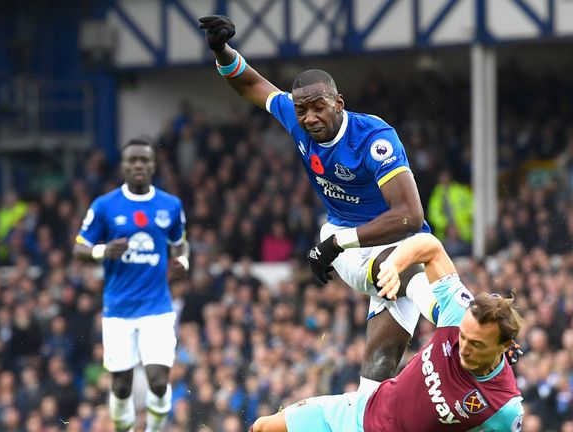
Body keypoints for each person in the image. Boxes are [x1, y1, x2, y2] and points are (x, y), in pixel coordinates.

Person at [199, 15, 442, 391]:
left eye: (319, 108)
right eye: (302, 110)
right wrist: (220, 50)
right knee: (406, 270)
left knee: (376, 377)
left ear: (338, 103)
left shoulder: (374, 138)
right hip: (348, 240)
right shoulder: (295, 118)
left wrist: (331, 246)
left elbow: (410, 216)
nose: (309, 118)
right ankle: (461, 326)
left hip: (377, 241)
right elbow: (249, 83)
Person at [251, 232, 525, 431]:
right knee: (265, 427)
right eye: (463, 337)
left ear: (504, 346)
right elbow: (430, 246)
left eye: (476, 344)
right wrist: (393, 266)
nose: (463, 347)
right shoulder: (457, 311)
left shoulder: (504, 406)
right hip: (361, 413)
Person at [73, 138, 189, 432]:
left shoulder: (170, 205)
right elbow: (79, 248)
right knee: (122, 385)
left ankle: (154, 429)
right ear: (123, 167)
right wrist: (102, 250)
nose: (138, 165)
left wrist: (183, 263)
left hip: (157, 307)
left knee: (159, 380)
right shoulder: (104, 206)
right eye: (132, 161)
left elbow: (180, 245)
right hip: (118, 309)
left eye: (144, 160)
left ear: (153, 165)